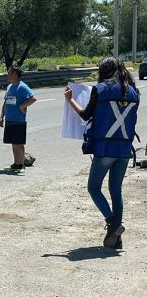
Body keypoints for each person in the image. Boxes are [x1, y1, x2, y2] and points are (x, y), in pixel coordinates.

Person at [64, 57, 139, 249]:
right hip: (124, 149)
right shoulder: (134, 92)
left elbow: (86, 114)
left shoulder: (100, 89)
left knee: (94, 187)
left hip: (105, 148)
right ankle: (116, 239)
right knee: (116, 191)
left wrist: (70, 100)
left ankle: (113, 223)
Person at [0, 66, 37, 173]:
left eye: (9, 73)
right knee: (13, 143)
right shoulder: (9, 87)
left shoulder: (23, 87)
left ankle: (21, 164)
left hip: (19, 120)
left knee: (19, 143)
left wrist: (22, 106)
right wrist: (2, 116)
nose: (7, 75)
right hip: (9, 120)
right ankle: (16, 163)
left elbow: (33, 98)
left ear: (14, 75)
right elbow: (5, 102)